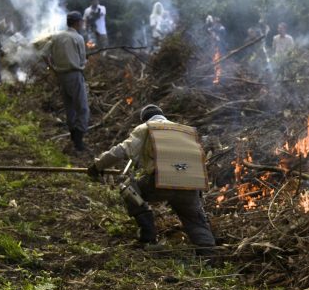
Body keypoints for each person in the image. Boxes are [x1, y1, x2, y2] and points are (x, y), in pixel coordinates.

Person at [87, 104, 217, 257]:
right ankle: (208, 253)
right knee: (194, 218)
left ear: (144, 119)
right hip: (190, 182)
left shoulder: (146, 128)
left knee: (128, 188)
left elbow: (121, 151)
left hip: (162, 181)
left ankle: (148, 237)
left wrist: (97, 166)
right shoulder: (184, 130)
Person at [41, 11, 89, 152]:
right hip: (74, 74)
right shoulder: (78, 38)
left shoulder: (57, 37)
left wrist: (53, 68)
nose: (82, 24)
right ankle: (78, 142)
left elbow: (44, 54)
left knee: (70, 108)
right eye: (81, 21)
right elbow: (82, 60)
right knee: (83, 108)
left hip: (61, 76)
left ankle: (74, 138)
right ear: (76, 22)